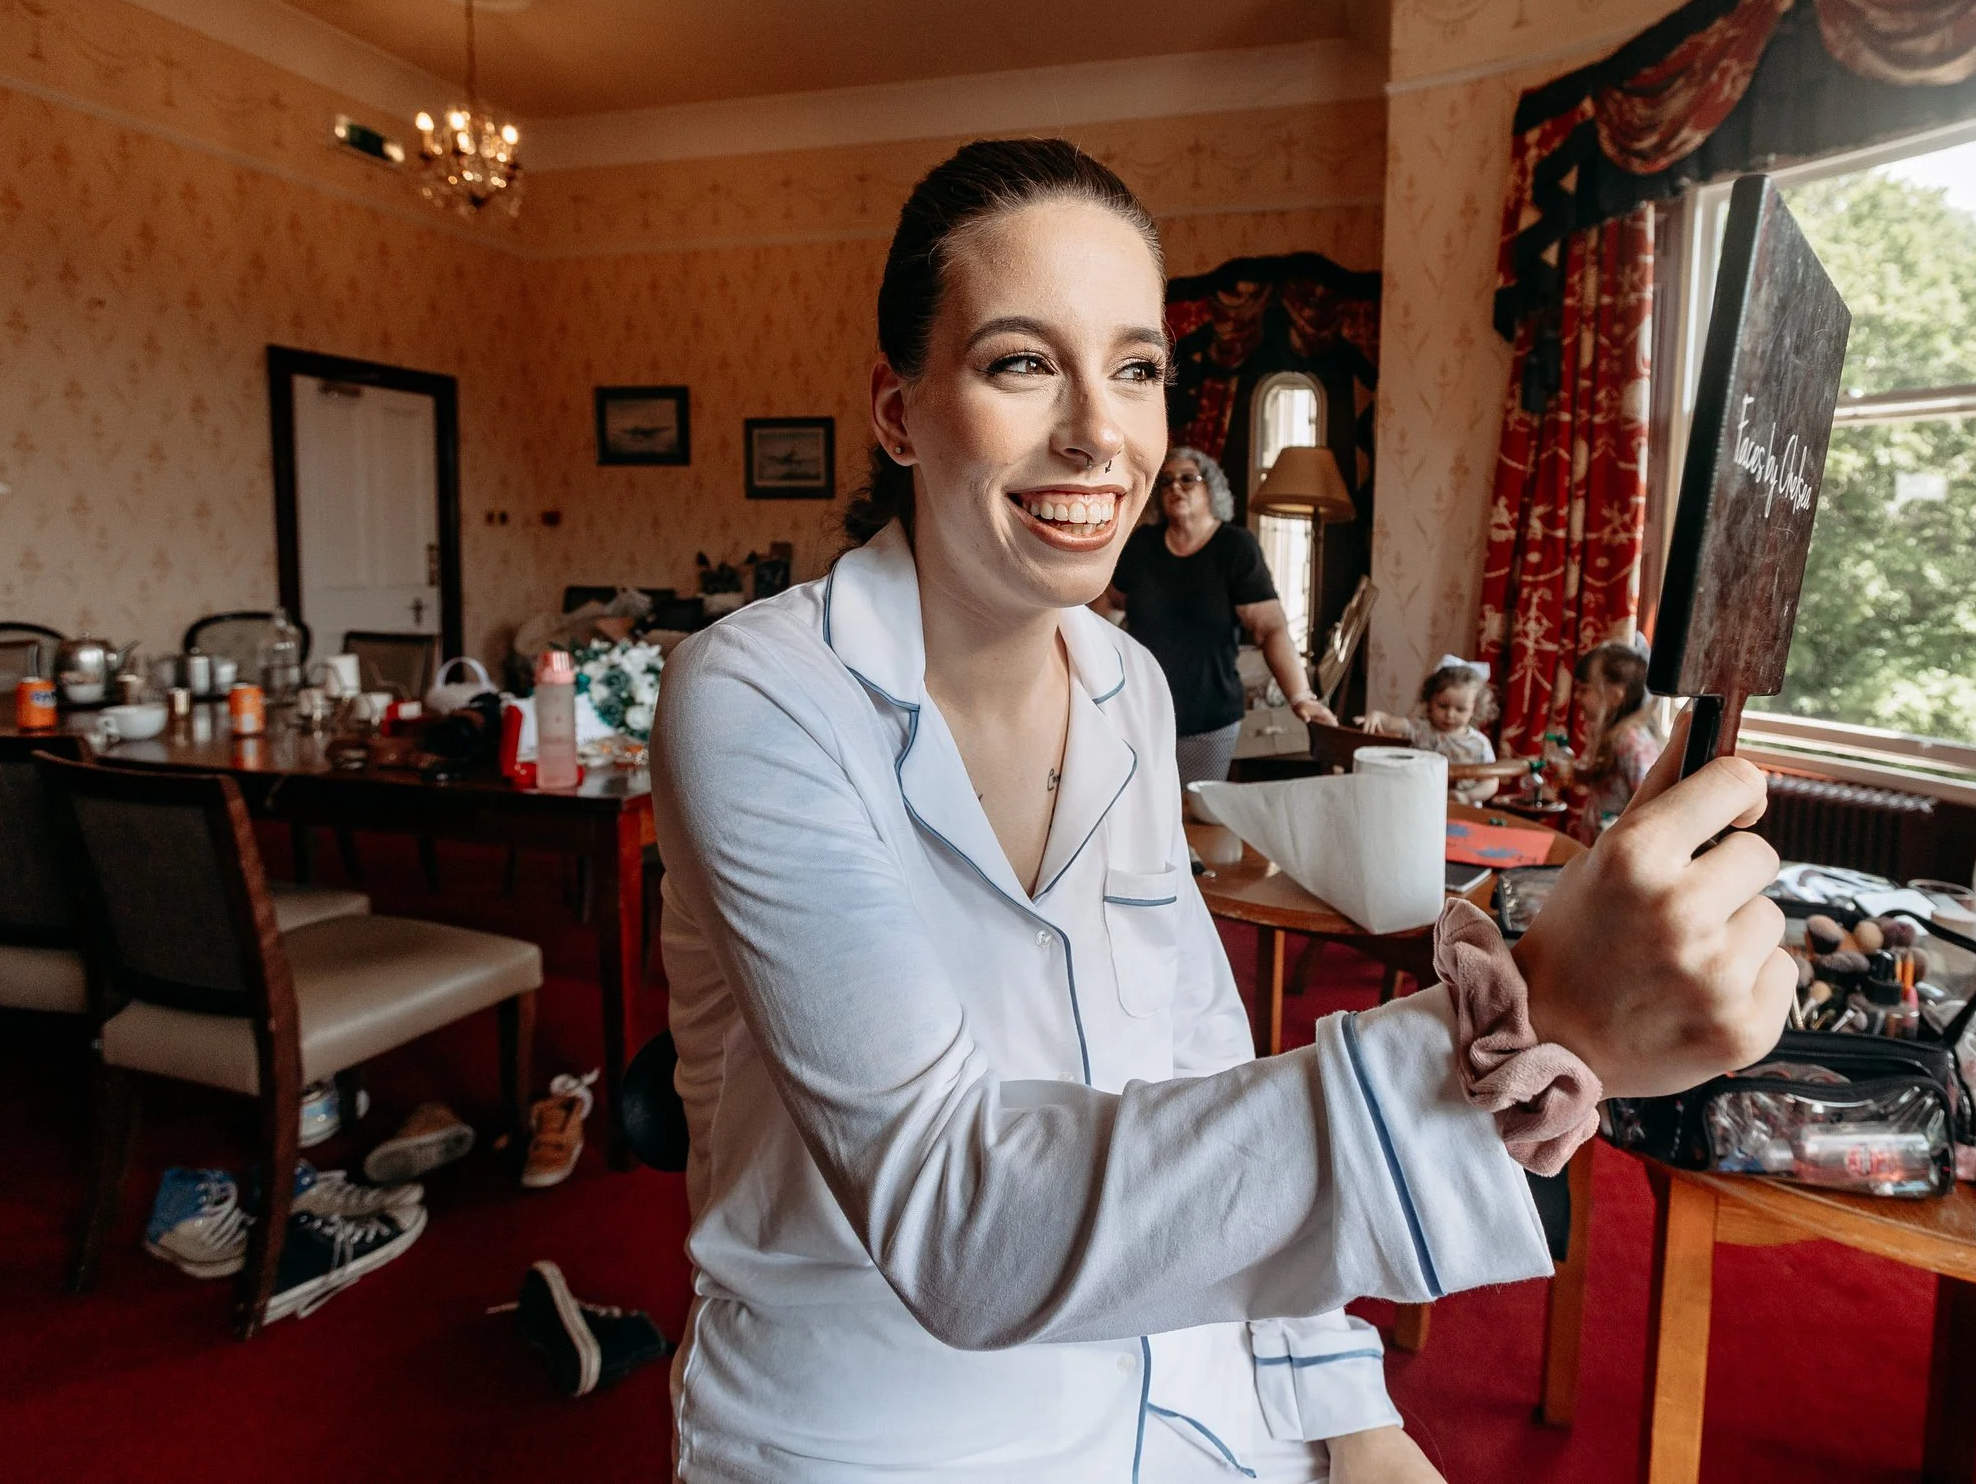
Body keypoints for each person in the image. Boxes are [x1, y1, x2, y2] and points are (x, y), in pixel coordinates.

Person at [651, 137, 1789, 1483]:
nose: (1100, 431)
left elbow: (1197, 1068)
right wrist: (1543, 1010)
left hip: (1188, 1385)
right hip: (885, 1427)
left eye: (1137, 368)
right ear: (898, 411)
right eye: (1021, 362)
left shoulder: (1127, 687)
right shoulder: (758, 697)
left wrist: (1344, 1402)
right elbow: (957, 1217)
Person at [1108, 445, 1334, 786]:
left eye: (1188, 479)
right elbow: (1106, 611)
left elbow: (1270, 628)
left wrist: (1300, 696)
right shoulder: (1142, 545)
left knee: (1194, 814)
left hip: (1208, 721)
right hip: (1138, 714)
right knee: (1136, 810)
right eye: (1166, 481)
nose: (1175, 487)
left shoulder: (1235, 547)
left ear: (1211, 487)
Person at [1357, 655, 1500, 804]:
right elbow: (1391, 722)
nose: (1450, 715)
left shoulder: (1479, 743)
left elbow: (1490, 781)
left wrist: (1468, 796)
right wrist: (1377, 716)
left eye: (1460, 709)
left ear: (1475, 709)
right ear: (1430, 701)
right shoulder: (1420, 728)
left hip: (1461, 807)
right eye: (1443, 706)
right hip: (1419, 800)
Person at [1569, 639, 1667, 836]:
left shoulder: (1631, 741)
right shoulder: (1614, 737)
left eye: (1584, 690)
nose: (1577, 697)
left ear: (1615, 696)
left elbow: (1650, 804)